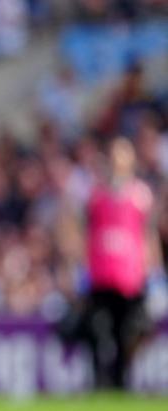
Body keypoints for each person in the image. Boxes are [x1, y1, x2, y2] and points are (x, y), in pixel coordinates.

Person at [81, 137, 158, 390]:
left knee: (129, 332)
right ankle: (101, 380)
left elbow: (148, 235)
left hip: (129, 276)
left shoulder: (139, 195)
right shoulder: (97, 195)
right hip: (102, 275)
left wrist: (151, 270)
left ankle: (122, 380)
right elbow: (87, 232)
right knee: (100, 330)